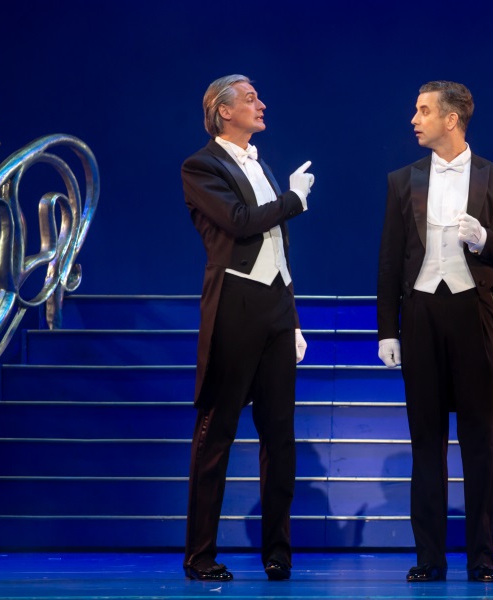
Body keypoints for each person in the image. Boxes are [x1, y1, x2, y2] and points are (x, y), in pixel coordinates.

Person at [376, 80, 493, 583]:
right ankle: (429, 558)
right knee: (426, 440)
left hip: (473, 315)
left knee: (481, 441)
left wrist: (486, 240)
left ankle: (482, 558)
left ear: (451, 119)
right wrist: (387, 330)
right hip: (420, 314)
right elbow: (388, 261)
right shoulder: (402, 180)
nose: (414, 119)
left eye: (423, 111)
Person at [181, 74, 314, 582]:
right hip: (235, 305)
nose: (262, 104)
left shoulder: (261, 164)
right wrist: (293, 200)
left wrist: (292, 318)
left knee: (280, 434)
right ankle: (200, 555)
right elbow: (239, 221)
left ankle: (278, 551)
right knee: (217, 431)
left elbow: (277, 248)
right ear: (223, 110)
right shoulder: (201, 166)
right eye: (251, 98)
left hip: (276, 306)